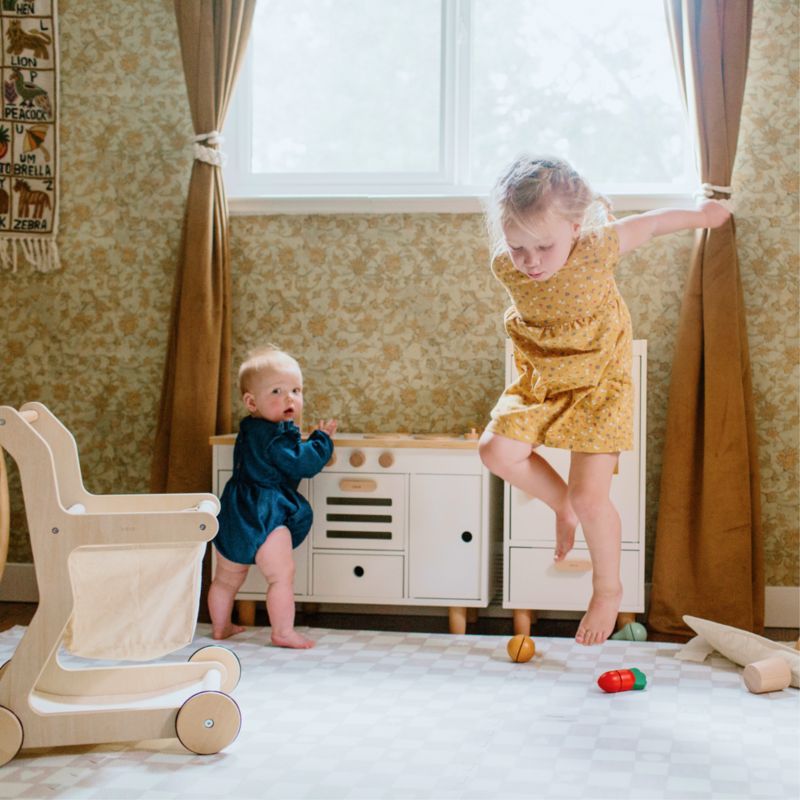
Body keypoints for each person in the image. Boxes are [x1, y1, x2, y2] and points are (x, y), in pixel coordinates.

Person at [478, 155, 730, 646]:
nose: (529, 261)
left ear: (575, 228)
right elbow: (522, 275)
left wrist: (702, 214)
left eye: (543, 246)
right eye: (517, 247)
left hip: (598, 384)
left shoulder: (598, 247)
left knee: (591, 495)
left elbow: (655, 224)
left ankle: (607, 588)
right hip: (543, 379)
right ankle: (560, 508)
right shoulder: (505, 267)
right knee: (495, 450)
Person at [209, 346, 337, 648]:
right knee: (281, 575)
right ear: (251, 402)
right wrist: (321, 441)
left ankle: (220, 627)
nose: (290, 398)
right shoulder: (278, 436)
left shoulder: (250, 430)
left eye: (296, 389)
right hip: (267, 512)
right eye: (277, 391)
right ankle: (282, 631)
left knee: (226, 578)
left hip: (234, 509)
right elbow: (302, 463)